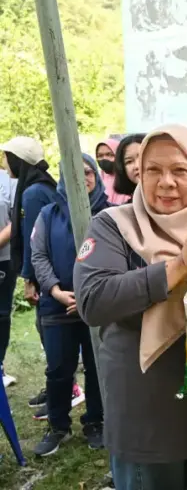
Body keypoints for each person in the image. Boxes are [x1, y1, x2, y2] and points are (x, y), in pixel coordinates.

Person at [73, 125, 187, 490]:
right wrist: (178, 266)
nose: (166, 182)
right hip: (149, 420)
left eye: (179, 170)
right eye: (153, 170)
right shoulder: (115, 226)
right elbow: (93, 300)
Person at [30, 153, 107, 456]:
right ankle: (58, 425)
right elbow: (39, 255)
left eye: (88, 172)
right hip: (58, 306)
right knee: (59, 369)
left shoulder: (110, 214)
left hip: (98, 307)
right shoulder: (48, 214)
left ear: (96, 176)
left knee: (97, 367)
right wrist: (56, 290)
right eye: (74, 173)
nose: (82, 178)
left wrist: (90, 296)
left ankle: (96, 421)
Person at [2, 136, 62, 417]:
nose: (4, 163)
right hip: (51, 271)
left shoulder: (33, 193)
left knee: (49, 331)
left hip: (44, 274)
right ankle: (56, 387)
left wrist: (29, 280)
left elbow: (33, 240)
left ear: (18, 160)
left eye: (7, 157)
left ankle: (62, 390)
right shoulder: (39, 186)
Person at [0, 157, 17, 388]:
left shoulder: (8, 181)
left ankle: (0, 366)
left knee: (1, 315)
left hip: (4, 259)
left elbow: (16, 221)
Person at [96, 139, 131, 205]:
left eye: (109, 154)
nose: (104, 158)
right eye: (100, 156)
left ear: (119, 155)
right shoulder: (96, 181)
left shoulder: (129, 179)